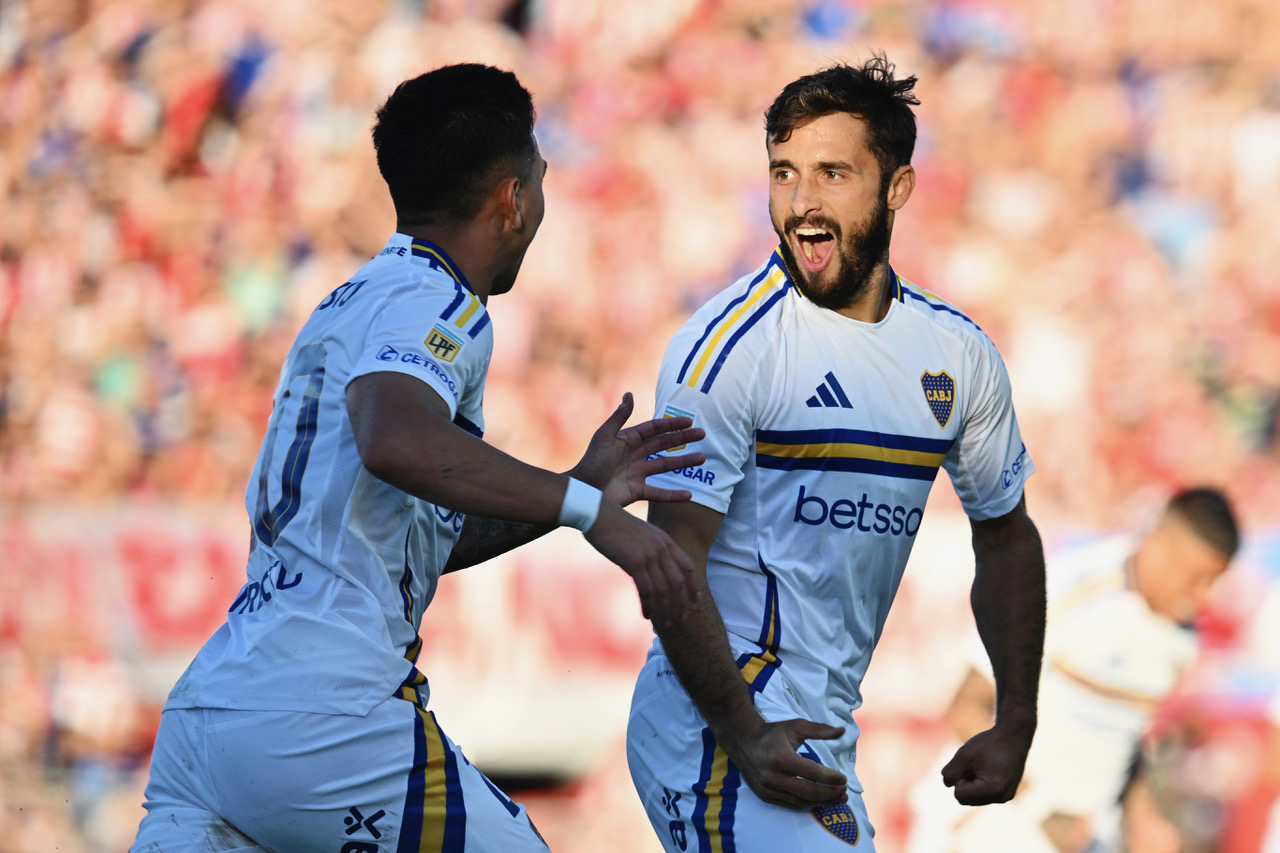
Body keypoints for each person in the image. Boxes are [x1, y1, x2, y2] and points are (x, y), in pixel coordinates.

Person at [131, 63, 705, 853]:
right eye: (540, 177)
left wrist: (574, 486)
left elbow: (413, 525)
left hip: (213, 716)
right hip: (322, 713)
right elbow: (395, 438)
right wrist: (587, 512)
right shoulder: (437, 302)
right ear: (514, 198)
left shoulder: (357, 296)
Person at [625, 55, 1046, 853]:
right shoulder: (729, 348)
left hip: (818, 731)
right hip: (715, 725)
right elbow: (670, 557)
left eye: (832, 174)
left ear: (897, 188)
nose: (802, 204)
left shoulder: (956, 355)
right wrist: (744, 731)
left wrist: (1016, 717)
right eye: (784, 173)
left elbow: (1005, 532)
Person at [904, 486, 1240, 853]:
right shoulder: (1061, 587)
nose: (1206, 595)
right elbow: (966, 707)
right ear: (1159, 548)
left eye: (1214, 581)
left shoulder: (1182, 640)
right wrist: (1043, 809)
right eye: (1198, 577)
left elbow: (1127, 739)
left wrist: (1144, 817)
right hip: (983, 832)